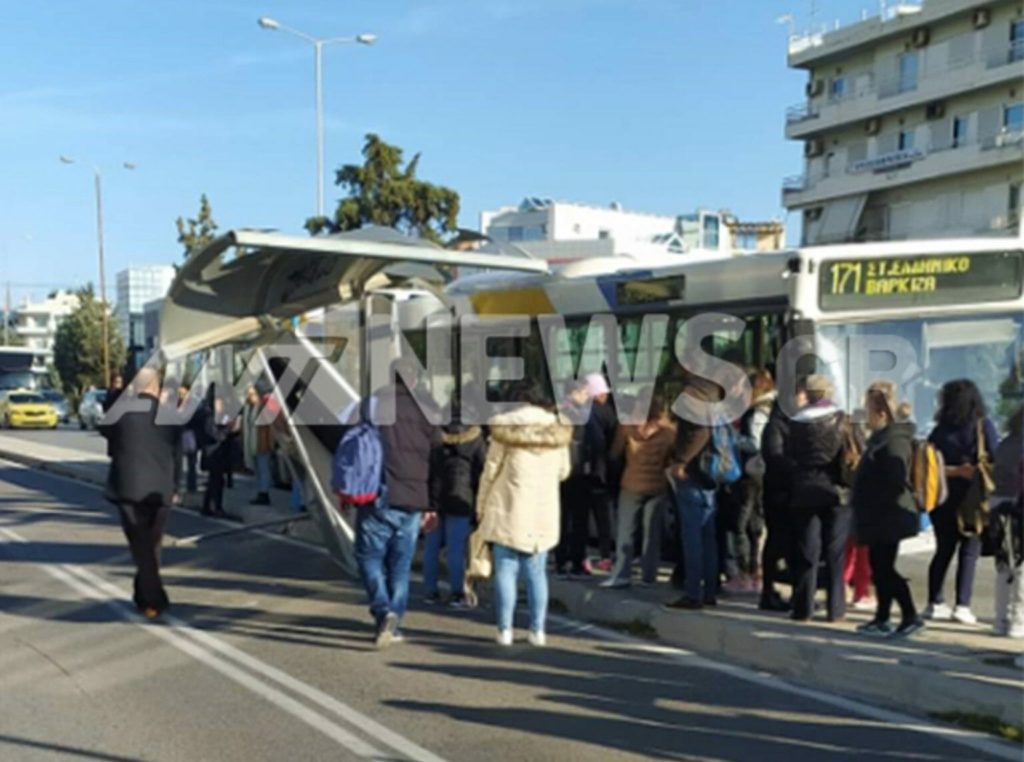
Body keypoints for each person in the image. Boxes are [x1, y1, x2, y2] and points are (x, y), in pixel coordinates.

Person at [355, 359, 440, 650]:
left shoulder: (372, 404)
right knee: (400, 566)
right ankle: (396, 623)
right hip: (415, 499)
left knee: (368, 557)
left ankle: (382, 610)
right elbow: (437, 457)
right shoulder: (428, 409)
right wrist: (433, 504)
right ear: (415, 381)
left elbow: (353, 443)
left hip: (378, 494)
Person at [477, 385, 572, 646]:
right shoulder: (558, 430)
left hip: (508, 507)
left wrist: (482, 505)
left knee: (506, 571)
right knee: (536, 573)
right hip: (543, 510)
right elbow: (564, 472)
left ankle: (504, 630)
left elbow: (490, 471)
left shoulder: (504, 430)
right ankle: (537, 630)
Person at [98, 366, 179, 618]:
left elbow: (105, 428)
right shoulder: (169, 415)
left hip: (129, 487)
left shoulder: (120, 411)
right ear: (156, 388)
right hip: (160, 489)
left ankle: (154, 598)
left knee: (141, 546)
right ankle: (145, 598)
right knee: (152, 545)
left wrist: (120, 394)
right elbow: (178, 451)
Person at [851, 381, 924, 638]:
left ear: (881, 413)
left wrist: (871, 492)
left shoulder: (894, 440)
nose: (865, 416)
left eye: (868, 410)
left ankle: (909, 614)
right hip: (879, 514)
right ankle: (882, 616)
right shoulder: (882, 439)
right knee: (879, 565)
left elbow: (895, 478)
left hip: (888, 514)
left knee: (884, 567)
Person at [925, 379, 999, 625]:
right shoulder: (982, 425)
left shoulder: (939, 429)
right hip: (972, 497)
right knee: (969, 550)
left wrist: (952, 470)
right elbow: (995, 457)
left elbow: (928, 465)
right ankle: (962, 605)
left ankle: (935, 601)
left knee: (943, 549)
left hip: (942, 496)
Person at [787, 374, 851, 622]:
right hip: (836, 490)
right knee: (835, 552)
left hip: (804, 489)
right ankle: (836, 608)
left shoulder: (796, 422)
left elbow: (790, 454)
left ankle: (803, 607)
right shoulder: (842, 419)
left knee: (808, 550)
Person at [601, 391, 676, 589]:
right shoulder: (669, 433)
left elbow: (614, 454)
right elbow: (673, 458)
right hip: (658, 486)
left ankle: (621, 574)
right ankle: (649, 575)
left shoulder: (626, 427)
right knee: (651, 533)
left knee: (625, 531)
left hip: (631, 484)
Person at [664, 372, 720, 610]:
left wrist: (681, 461)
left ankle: (693, 593)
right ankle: (710, 590)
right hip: (710, 476)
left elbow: (699, 433)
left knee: (692, 537)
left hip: (693, 477)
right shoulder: (717, 404)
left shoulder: (694, 403)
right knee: (708, 537)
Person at [424, 399, 486, 607]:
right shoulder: (476, 439)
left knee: (431, 546)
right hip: (463, 498)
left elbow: (430, 469)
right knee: (456, 548)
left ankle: (430, 590)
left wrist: (429, 502)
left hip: (435, 496)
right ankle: (457, 592)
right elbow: (483, 472)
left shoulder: (436, 436)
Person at [721, 369, 773, 594]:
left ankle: (745, 574)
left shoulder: (756, 414)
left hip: (749, 475)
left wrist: (732, 438)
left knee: (741, 524)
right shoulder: (774, 409)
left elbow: (755, 444)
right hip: (763, 476)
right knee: (755, 525)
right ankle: (755, 572)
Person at [759, 380, 805, 612]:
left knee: (794, 543)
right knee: (777, 541)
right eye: (800, 396)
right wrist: (798, 466)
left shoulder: (796, 423)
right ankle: (768, 590)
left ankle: (796, 590)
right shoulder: (776, 425)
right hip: (778, 492)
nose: (804, 400)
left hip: (792, 491)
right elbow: (774, 456)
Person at [577, 372, 617, 572]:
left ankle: (581, 556)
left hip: (584, 471)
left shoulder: (582, 412)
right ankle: (606, 556)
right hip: (602, 472)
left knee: (581, 517)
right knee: (603, 518)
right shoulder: (608, 413)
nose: (606, 396)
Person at [992, 406, 1023, 639]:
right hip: (1018, 504)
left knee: (1003, 565)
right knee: (1021, 568)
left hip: (998, 504)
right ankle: (1018, 619)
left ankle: (1001, 618)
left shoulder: (1005, 444)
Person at [555, 380, 591, 578]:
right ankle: (577, 560)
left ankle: (562, 560)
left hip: (561, 472)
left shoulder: (558, 412)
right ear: (575, 392)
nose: (587, 396)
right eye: (585, 392)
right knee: (578, 520)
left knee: (563, 517)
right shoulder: (580, 414)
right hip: (579, 471)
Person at [200, 392, 238, 518]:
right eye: (218, 403)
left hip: (220, 454)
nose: (220, 405)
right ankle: (215, 507)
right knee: (215, 482)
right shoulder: (210, 417)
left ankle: (209, 506)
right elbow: (214, 434)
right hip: (213, 454)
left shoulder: (220, 417)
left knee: (216, 482)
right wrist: (227, 430)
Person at [243, 385, 274, 506]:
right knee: (257, 469)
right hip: (251, 442)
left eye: (252, 395)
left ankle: (264, 493)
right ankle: (260, 491)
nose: (250, 397)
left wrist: (270, 443)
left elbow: (269, 426)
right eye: (249, 395)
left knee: (264, 468)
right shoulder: (248, 408)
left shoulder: (263, 407)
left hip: (262, 443)